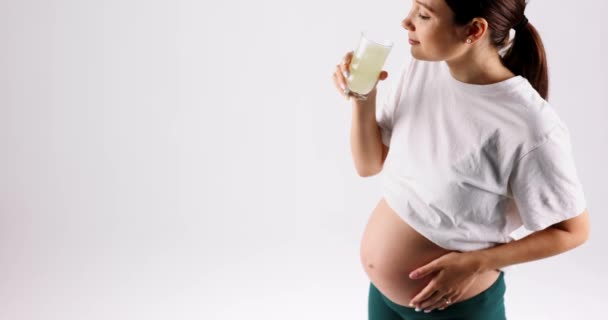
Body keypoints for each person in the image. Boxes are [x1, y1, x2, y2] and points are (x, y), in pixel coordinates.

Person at [331, 0, 591, 319]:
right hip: (384, 298)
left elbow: (573, 231)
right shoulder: (424, 66)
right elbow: (368, 165)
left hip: (453, 308)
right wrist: (362, 97)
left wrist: (475, 262)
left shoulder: (530, 125)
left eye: (424, 14)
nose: (406, 21)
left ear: (474, 29)